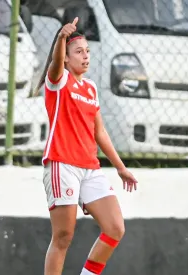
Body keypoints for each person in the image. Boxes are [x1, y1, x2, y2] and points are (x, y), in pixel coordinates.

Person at [35, 17, 138, 275]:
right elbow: (56, 65)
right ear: (67, 58)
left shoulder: (90, 88)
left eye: (87, 51)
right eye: (78, 52)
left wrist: (121, 168)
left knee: (115, 227)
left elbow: (99, 131)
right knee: (63, 236)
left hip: (89, 168)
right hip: (62, 164)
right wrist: (61, 38)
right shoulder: (58, 81)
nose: (85, 56)